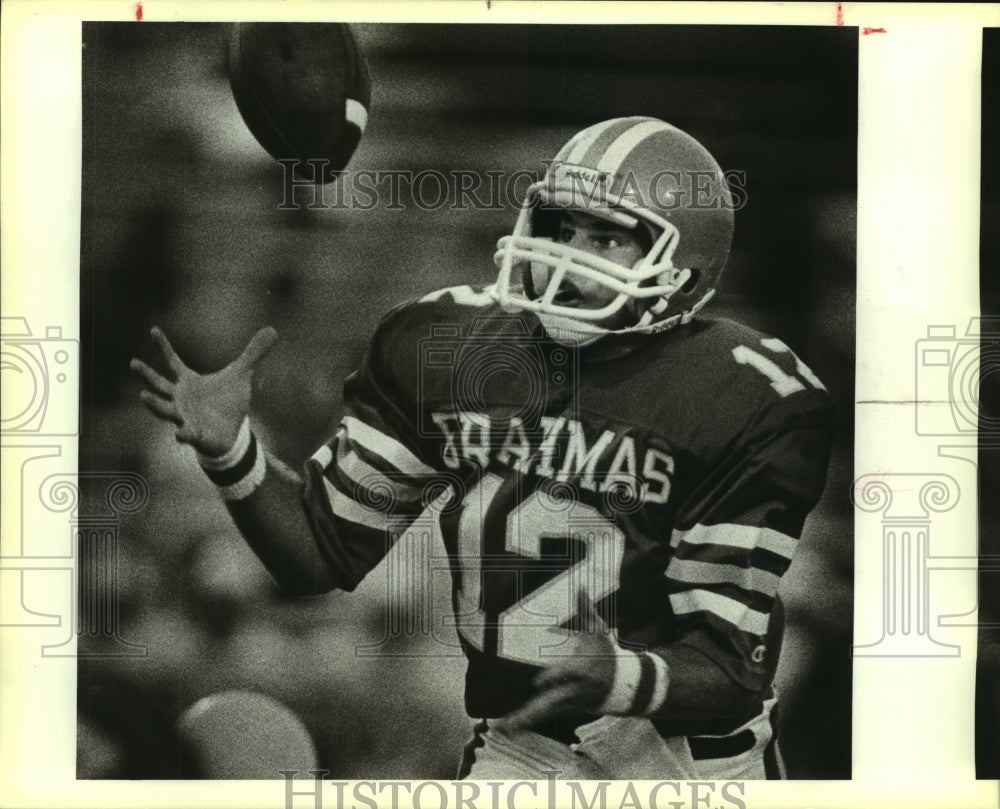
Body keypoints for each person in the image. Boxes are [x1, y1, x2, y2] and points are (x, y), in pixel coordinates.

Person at [131, 116, 834, 780]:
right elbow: (321, 551)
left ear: (681, 267)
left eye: (607, 237)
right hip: (519, 746)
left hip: (685, 762)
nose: (566, 254)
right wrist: (232, 452)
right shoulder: (449, 345)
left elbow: (733, 666)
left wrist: (618, 675)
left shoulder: (741, 394)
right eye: (562, 226)